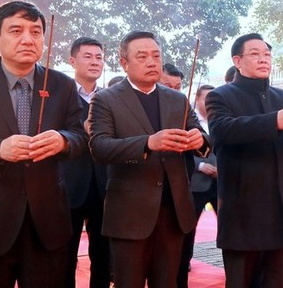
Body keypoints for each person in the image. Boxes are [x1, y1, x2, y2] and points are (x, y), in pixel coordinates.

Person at [0, 0, 87, 287]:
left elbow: (80, 137)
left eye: (35, 32)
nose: (27, 39)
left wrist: (63, 140)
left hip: (47, 224)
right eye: (16, 30)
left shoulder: (62, 84)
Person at [87, 30, 211, 288]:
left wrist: (199, 141)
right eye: (142, 56)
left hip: (174, 209)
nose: (152, 62)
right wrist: (146, 143)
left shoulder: (176, 99)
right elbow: (99, 147)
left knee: (167, 281)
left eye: (156, 56)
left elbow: (200, 134)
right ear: (124, 63)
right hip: (130, 211)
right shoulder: (106, 99)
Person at [205, 33, 283, 287]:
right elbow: (222, 131)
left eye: (267, 54)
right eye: (255, 54)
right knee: (242, 280)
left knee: (276, 280)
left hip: (281, 207)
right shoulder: (221, 96)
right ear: (237, 60)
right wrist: (274, 121)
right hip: (244, 208)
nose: (263, 59)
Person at [63, 37, 110, 288]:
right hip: (69, 185)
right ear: (72, 60)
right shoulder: (59, 94)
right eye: (88, 56)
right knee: (65, 254)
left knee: (103, 254)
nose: (94, 62)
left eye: (99, 57)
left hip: (105, 186)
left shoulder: (111, 98)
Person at [177, 84, 218, 287]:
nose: (210, 103)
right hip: (197, 181)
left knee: (228, 225)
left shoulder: (219, 119)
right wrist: (201, 165)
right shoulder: (189, 120)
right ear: (197, 99)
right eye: (206, 99)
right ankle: (184, 261)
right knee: (188, 228)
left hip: (220, 182)